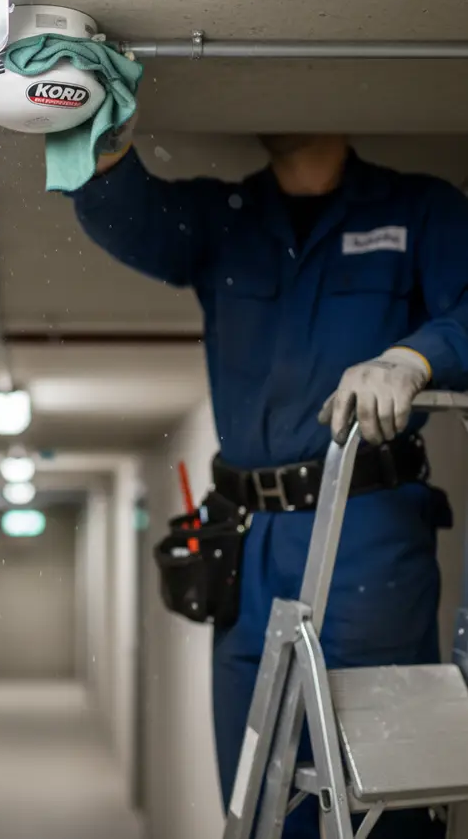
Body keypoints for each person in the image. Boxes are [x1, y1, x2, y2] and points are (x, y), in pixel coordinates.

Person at [66, 124, 468, 839]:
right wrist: (94, 127)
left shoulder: (417, 210)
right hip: (248, 541)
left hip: (363, 525)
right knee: (258, 785)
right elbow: (127, 218)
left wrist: (413, 357)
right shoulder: (226, 219)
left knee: (377, 778)